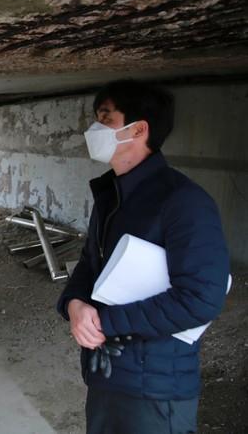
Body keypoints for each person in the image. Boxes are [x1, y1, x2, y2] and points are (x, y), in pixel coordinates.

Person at [57, 80, 230, 434]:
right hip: (107, 375)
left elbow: (200, 299)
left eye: (105, 118)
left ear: (138, 129)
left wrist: (106, 323)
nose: (94, 128)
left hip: (157, 389)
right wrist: (74, 303)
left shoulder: (184, 202)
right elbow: (91, 263)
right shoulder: (111, 197)